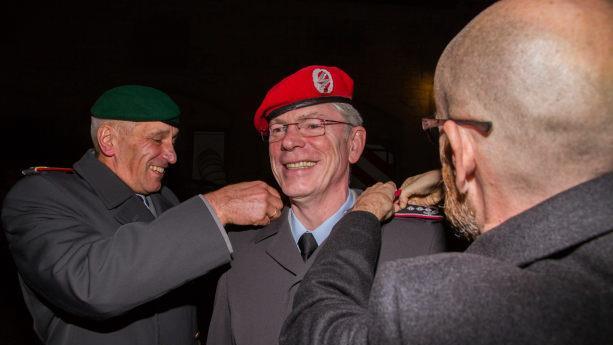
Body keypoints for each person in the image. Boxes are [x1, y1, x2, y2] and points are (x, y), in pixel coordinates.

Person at [280, 0, 613, 344]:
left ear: (461, 148)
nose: (290, 141)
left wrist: (361, 214)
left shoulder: (450, 312)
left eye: (436, 129)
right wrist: (451, 177)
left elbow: (312, 325)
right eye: (277, 130)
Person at [1, 85, 283, 345]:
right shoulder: (41, 195)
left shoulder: (165, 199)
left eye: (173, 141)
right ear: (109, 140)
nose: (172, 156)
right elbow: (90, 285)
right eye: (158, 139)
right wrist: (216, 208)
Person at [206, 65, 448, 345]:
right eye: (278, 129)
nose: (289, 141)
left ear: (354, 144)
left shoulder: (421, 244)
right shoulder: (239, 250)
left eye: (313, 125)